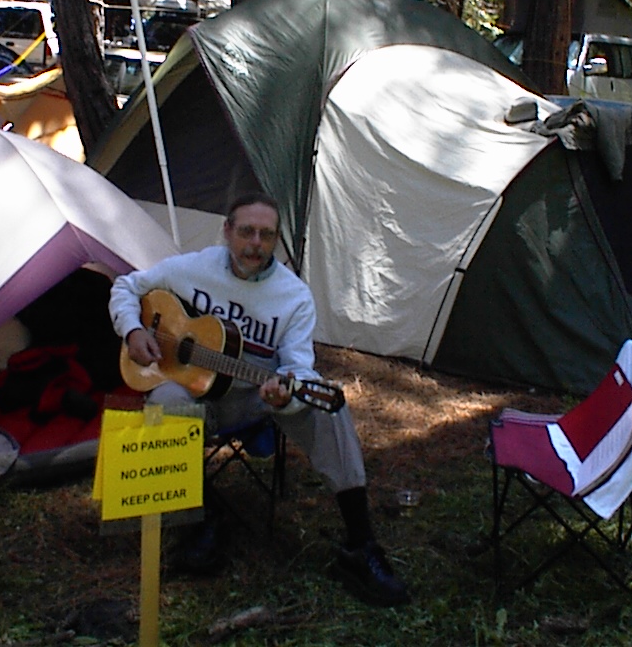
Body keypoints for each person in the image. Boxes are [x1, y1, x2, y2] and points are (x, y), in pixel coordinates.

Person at [109, 192, 409, 607]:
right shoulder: (192, 267)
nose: (255, 244)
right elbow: (126, 286)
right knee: (166, 402)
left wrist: (285, 397)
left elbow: (299, 368)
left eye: (266, 235)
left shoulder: (293, 297)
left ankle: (360, 545)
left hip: (254, 396)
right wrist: (133, 330)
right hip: (198, 395)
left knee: (329, 410)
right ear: (227, 231)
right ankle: (200, 519)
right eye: (246, 232)